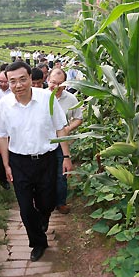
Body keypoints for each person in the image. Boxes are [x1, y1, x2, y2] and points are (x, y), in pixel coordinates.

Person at [0, 61, 72, 262]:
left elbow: (60, 128)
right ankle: (38, 243)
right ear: (8, 83)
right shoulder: (4, 105)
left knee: (47, 202)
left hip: (47, 159)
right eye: (13, 82)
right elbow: (2, 136)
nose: (18, 85)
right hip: (20, 162)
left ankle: (43, 218)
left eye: (22, 80)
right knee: (26, 208)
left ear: (31, 79)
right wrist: (7, 165)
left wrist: (66, 157)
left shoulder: (47, 98)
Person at [47, 68, 83, 214]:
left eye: (60, 84)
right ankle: (46, 202)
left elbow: (79, 118)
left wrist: (68, 128)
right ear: (47, 80)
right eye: (53, 82)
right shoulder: (40, 97)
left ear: (66, 84)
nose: (56, 86)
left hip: (62, 142)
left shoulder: (71, 99)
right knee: (45, 173)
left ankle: (61, 202)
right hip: (44, 143)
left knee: (62, 172)